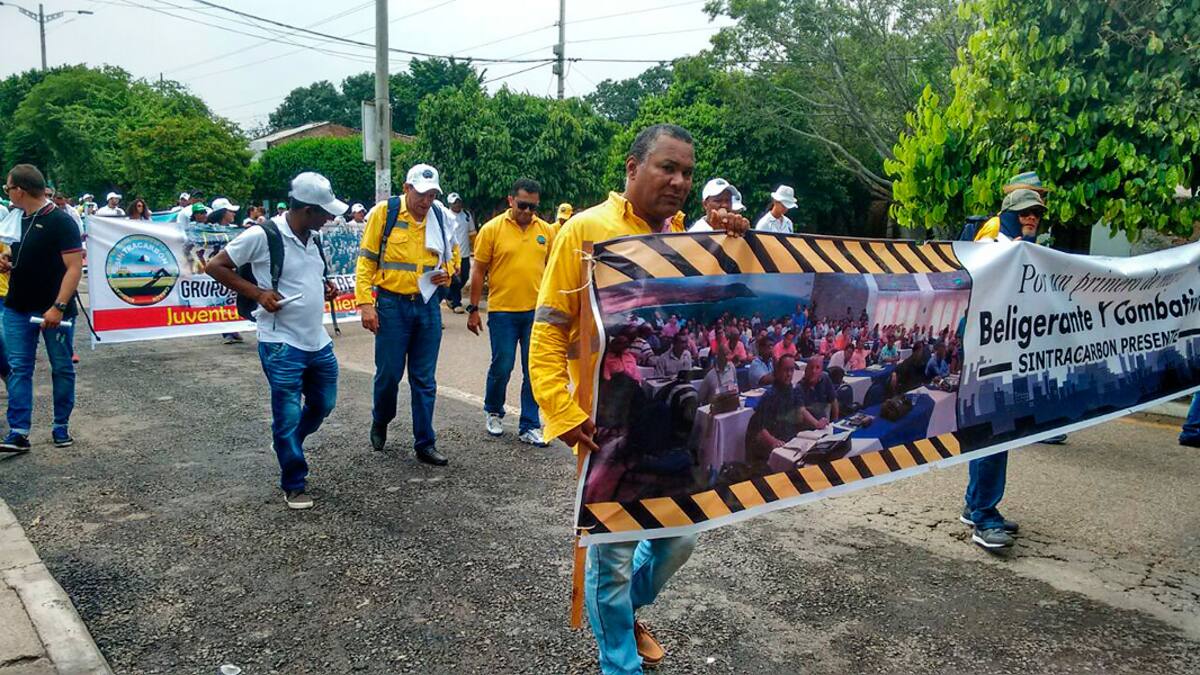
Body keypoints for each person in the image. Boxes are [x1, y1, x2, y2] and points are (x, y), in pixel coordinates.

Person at [530, 124, 750, 674]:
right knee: (613, 558)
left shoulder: (688, 240)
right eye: (667, 168)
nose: (679, 181)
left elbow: (727, 290)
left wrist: (736, 238)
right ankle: (619, 663)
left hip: (667, 427)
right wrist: (561, 409)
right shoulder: (585, 230)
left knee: (680, 539)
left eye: (687, 173)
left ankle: (622, 614)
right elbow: (549, 328)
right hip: (606, 428)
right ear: (632, 168)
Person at [205, 172, 344, 510]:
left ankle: (286, 442)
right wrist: (258, 293)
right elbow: (215, 266)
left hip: (316, 339)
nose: (329, 218)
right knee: (287, 415)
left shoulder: (313, 238)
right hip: (280, 342)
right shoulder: (262, 235)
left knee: (323, 404)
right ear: (307, 210)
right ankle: (294, 482)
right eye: (325, 212)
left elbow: (308, 276)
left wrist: (324, 287)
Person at [355, 164, 459, 465]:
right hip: (392, 305)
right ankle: (381, 418)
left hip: (427, 304)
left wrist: (447, 272)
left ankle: (425, 443)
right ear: (406, 188)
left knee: (424, 379)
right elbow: (366, 261)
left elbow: (452, 254)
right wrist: (366, 304)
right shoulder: (385, 214)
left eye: (432, 195)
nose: (426, 201)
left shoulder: (440, 216)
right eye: (421, 194)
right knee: (388, 374)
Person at [0, 165, 84, 452]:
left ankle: (61, 425)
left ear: (20, 190)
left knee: (61, 367)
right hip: (17, 307)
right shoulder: (17, 219)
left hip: (54, 309)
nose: (7, 193)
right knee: (19, 368)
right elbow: (25, 255)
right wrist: (8, 263)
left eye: (8, 188)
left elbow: (74, 268)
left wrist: (58, 306)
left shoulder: (61, 221)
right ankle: (18, 432)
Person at [467, 178, 554, 446]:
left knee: (534, 370)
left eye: (533, 207)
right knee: (502, 365)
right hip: (503, 312)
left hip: (536, 314)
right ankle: (494, 411)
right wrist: (473, 308)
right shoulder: (492, 230)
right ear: (510, 200)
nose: (527, 212)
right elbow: (479, 271)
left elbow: (553, 270)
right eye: (523, 205)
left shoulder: (546, 232)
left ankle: (530, 424)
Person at [746, 355, 827, 465]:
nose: (789, 374)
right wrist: (773, 441)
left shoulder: (792, 391)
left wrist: (816, 424)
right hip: (775, 445)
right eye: (786, 370)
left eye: (791, 370)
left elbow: (801, 410)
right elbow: (759, 428)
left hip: (790, 441)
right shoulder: (770, 395)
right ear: (778, 371)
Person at [444, 193, 475, 314]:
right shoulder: (446, 215)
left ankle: (449, 295)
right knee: (456, 279)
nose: (457, 205)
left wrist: (475, 246)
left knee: (465, 277)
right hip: (452, 254)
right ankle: (457, 303)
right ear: (450, 204)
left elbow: (472, 233)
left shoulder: (466, 215)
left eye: (458, 202)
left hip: (465, 253)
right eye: (454, 203)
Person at [797, 355, 837, 423]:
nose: (813, 371)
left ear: (821, 371)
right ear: (806, 370)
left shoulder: (825, 379)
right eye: (811, 367)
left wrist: (835, 421)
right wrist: (817, 424)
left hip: (823, 423)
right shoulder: (799, 388)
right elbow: (802, 411)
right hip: (807, 426)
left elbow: (833, 400)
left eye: (817, 368)